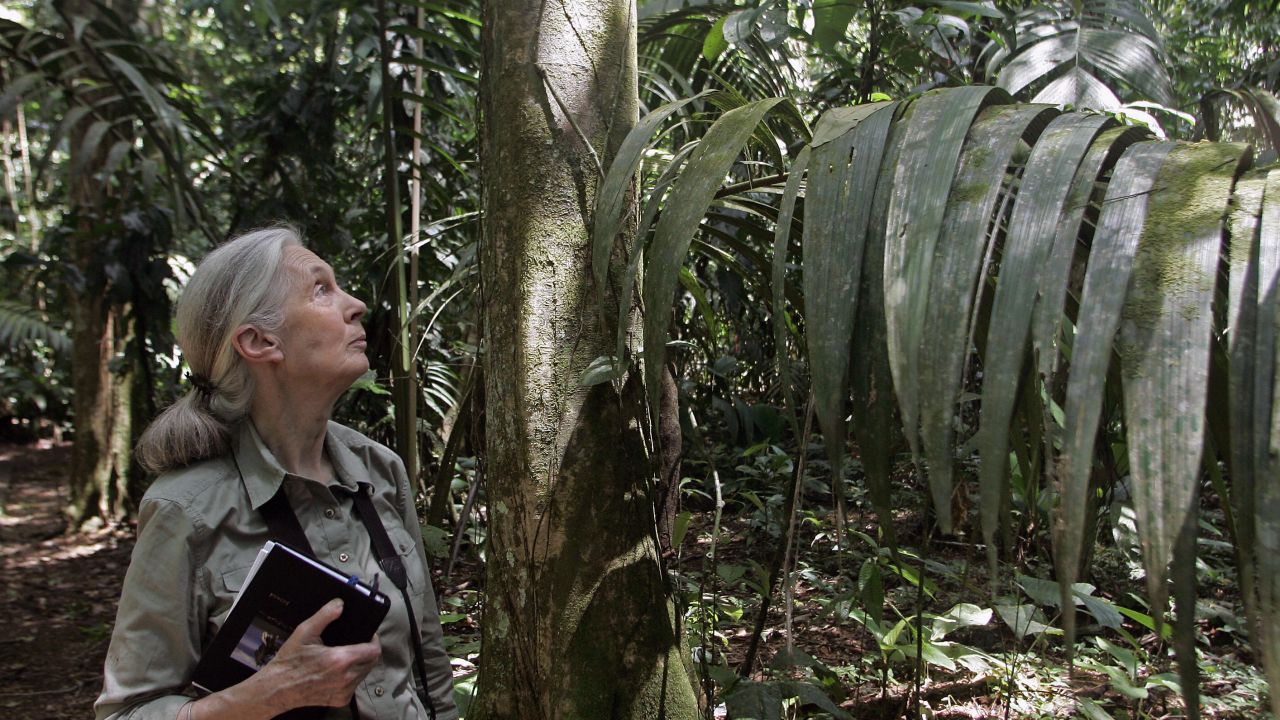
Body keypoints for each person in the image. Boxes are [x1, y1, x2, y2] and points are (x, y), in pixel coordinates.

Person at [95, 226, 457, 720]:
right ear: (259, 340)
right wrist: (256, 700)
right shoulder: (186, 508)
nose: (355, 305)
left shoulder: (379, 470)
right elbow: (125, 713)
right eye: (321, 288)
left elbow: (427, 666)